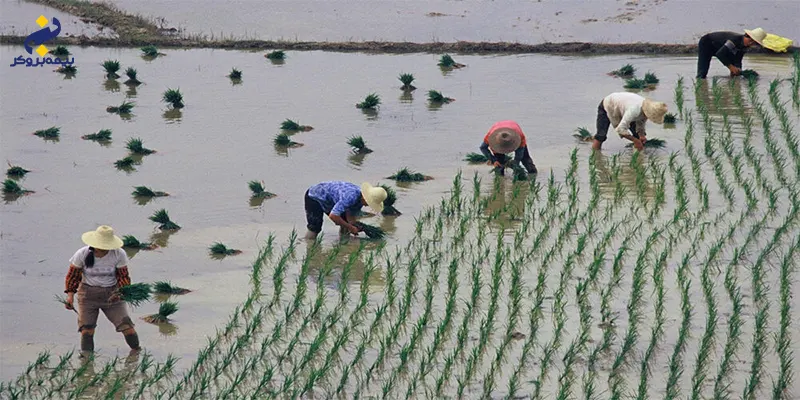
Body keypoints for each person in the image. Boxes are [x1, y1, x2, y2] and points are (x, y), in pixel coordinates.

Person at [63, 225, 141, 356]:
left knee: (127, 327)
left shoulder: (119, 254)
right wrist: (70, 296)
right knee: (87, 329)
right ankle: (87, 360)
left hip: (112, 295)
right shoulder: (82, 254)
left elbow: (123, 276)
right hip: (87, 296)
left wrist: (121, 293)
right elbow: (73, 276)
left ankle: (137, 353)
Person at [304, 181, 387, 240]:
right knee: (315, 226)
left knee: (345, 221)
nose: (367, 205)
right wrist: (350, 227)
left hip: (330, 200)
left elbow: (350, 217)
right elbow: (333, 216)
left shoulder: (359, 201)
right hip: (314, 196)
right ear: (365, 197)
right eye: (369, 203)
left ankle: (343, 243)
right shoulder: (350, 197)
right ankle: (309, 244)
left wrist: (355, 225)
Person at [592, 92, 668, 151]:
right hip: (608, 104)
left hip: (623, 108)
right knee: (601, 135)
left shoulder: (645, 109)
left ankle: (638, 159)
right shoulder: (634, 110)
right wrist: (635, 141)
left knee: (637, 136)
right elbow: (620, 129)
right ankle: (596, 156)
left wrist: (641, 135)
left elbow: (641, 122)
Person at [696, 28, 766, 79]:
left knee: (735, 75)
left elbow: (738, 58)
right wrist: (731, 67)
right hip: (707, 43)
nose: (750, 43)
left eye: (754, 43)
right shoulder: (734, 40)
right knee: (702, 74)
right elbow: (720, 54)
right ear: (746, 35)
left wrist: (738, 69)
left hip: (720, 47)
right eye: (750, 40)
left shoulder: (745, 46)